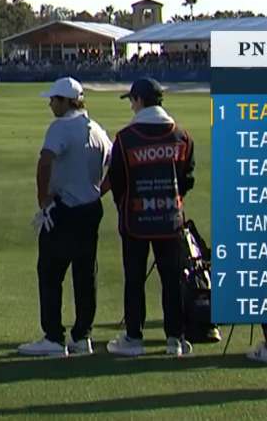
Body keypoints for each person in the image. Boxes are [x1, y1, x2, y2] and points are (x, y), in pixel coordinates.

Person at [19, 77, 112, 357]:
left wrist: (43, 199)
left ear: (66, 101)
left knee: (50, 272)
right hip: (90, 209)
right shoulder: (97, 129)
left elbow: (45, 161)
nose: (50, 104)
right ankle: (82, 337)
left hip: (64, 210)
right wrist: (99, 191)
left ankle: (54, 338)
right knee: (85, 274)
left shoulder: (60, 128)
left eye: (54, 100)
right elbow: (115, 166)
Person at [104, 77, 197, 357]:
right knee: (172, 279)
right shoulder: (182, 136)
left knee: (134, 279)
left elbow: (117, 181)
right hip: (170, 219)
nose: (131, 106)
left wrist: (126, 204)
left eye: (132, 100)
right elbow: (187, 178)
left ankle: (134, 337)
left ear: (140, 100)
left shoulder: (125, 139)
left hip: (135, 221)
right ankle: (175, 339)